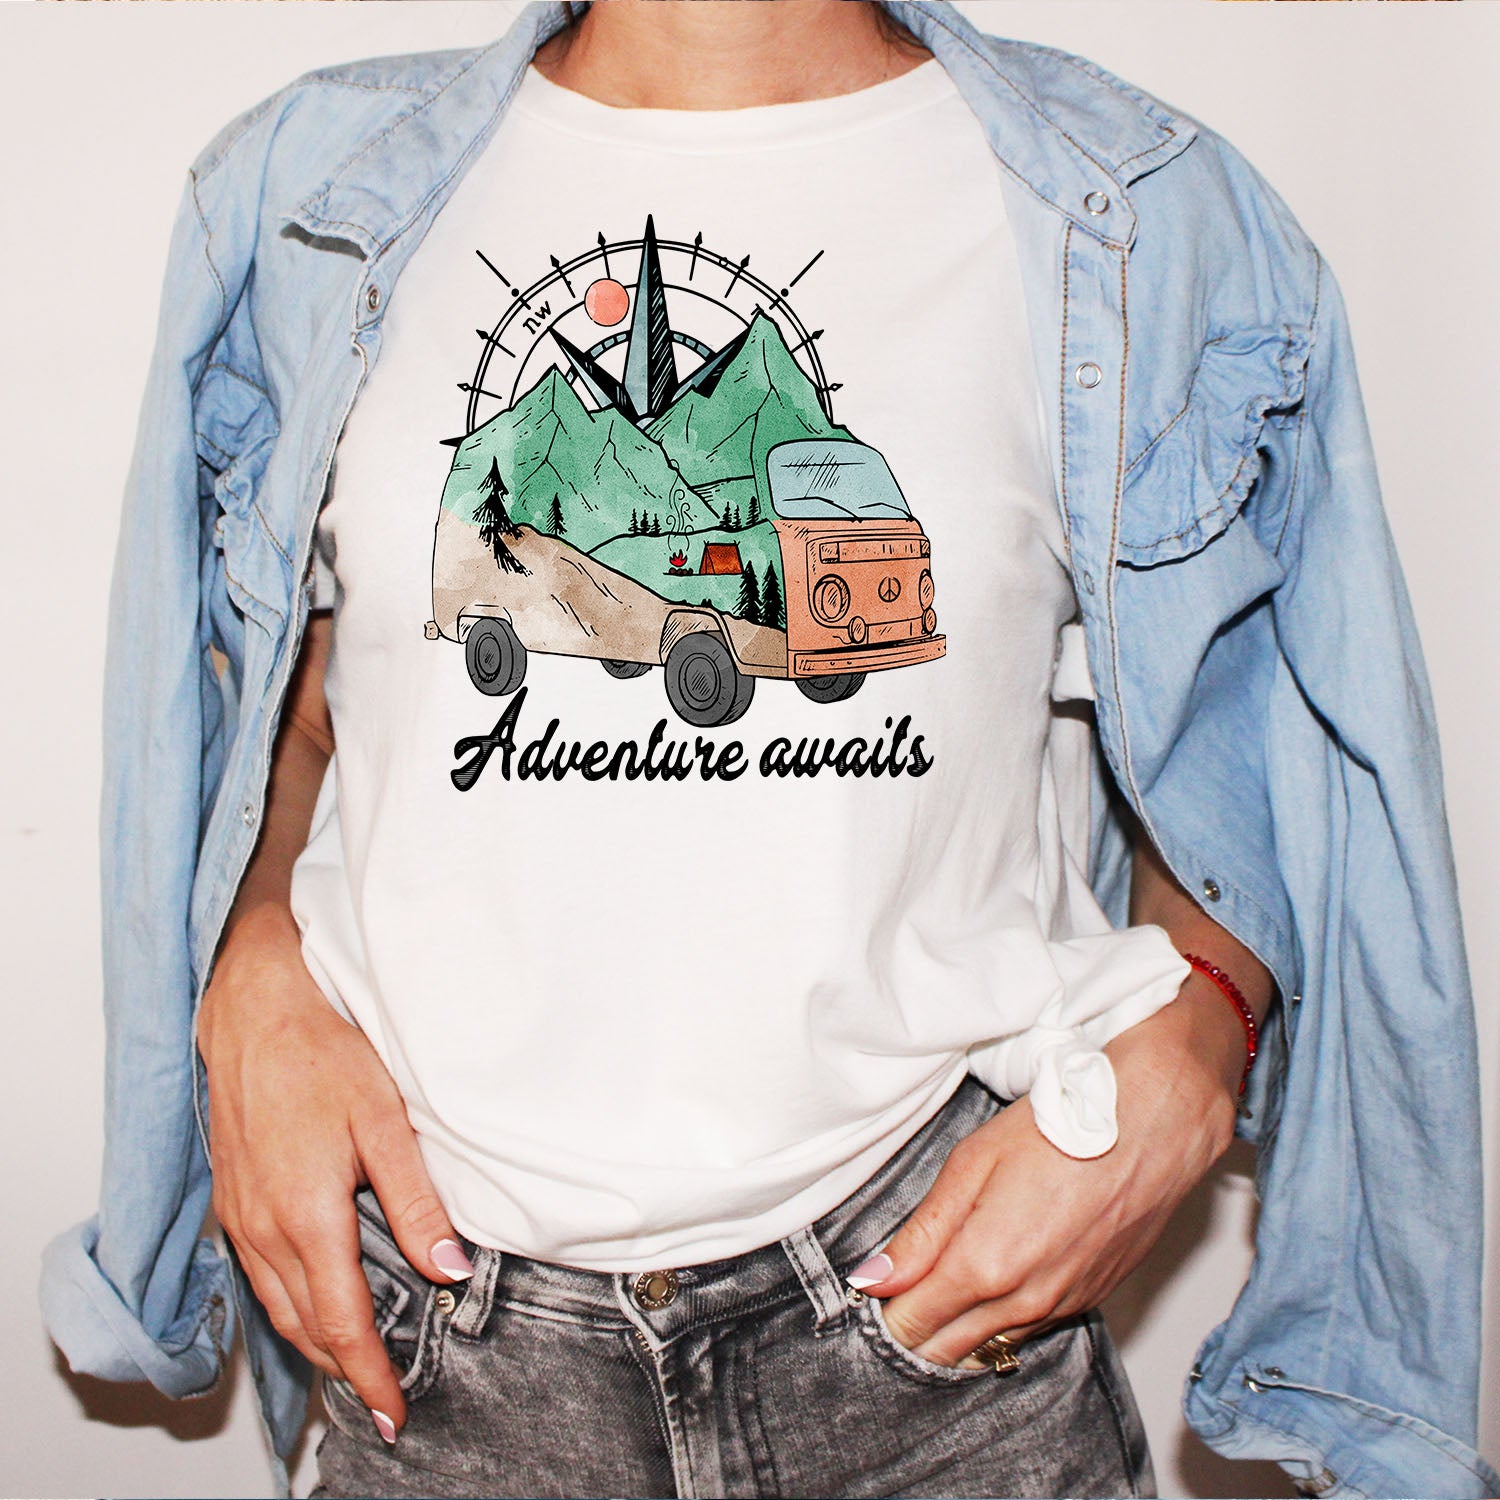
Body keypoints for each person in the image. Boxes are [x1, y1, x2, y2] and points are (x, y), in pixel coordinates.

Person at [39, 2, 1493, 1497]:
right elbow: (285, 712)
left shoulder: (1142, 217)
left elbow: (1273, 764)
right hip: (442, 1342)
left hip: (934, 1330)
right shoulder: (305, 199)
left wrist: (1196, 1046)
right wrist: (250, 970)